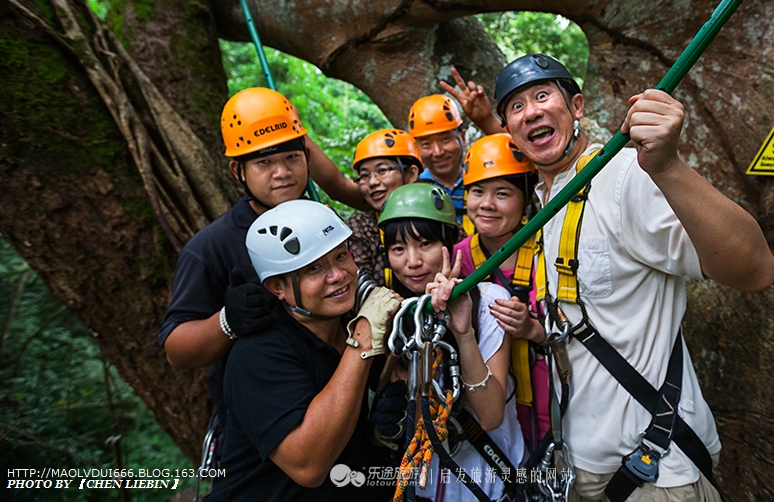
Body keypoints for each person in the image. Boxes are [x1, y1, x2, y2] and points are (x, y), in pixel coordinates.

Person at [460, 54, 774, 501]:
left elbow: (755, 269)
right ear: (509, 131)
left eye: (542, 95)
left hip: (655, 468)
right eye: (516, 106)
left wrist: (668, 167)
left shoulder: (625, 177)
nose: (530, 110)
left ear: (578, 107)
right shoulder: (549, 199)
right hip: (583, 464)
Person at [157, 87, 368, 450]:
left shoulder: (324, 221)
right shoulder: (212, 247)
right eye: (264, 163)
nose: (282, 173)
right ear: (238, 170)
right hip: (268, 427)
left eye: (291, 157)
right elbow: (176, 349)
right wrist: (227, 322)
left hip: (348, 404)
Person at [205, 199, 400, 501]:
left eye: (340, 256)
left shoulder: (346, 327)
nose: (338, 275)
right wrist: (363, 340)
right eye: (314, 269)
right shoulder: (258, 355)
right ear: (277, 288)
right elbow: (308, 465)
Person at [378, 184, 525, 502]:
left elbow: (490, 417)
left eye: (425, 243)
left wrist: (463, 333)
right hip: (425, 487)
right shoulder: (395, 315)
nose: (412, 262)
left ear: (449, 242)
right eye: (398, 249)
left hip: (486, 482)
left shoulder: (487, 302)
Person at [451, 133, 550, 453]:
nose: (487, 205)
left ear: (525, 198)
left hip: (553, 401)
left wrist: (532, 329)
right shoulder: (457, 259)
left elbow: (582, 330)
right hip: (490, 409)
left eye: (502, 193)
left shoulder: (546, 252)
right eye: (477, 191)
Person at [347, 129, 423, 286]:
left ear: (411, 174)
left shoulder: (437, 214)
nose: (373, 182)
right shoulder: (361, 227)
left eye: (382, 171)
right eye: (365, 175)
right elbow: (358, 281)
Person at [406, 94, 468, 226]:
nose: (438, 152)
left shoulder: (480, 180)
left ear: (462, 138)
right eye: (426, 144)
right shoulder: (413, 190)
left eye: (445, 139)